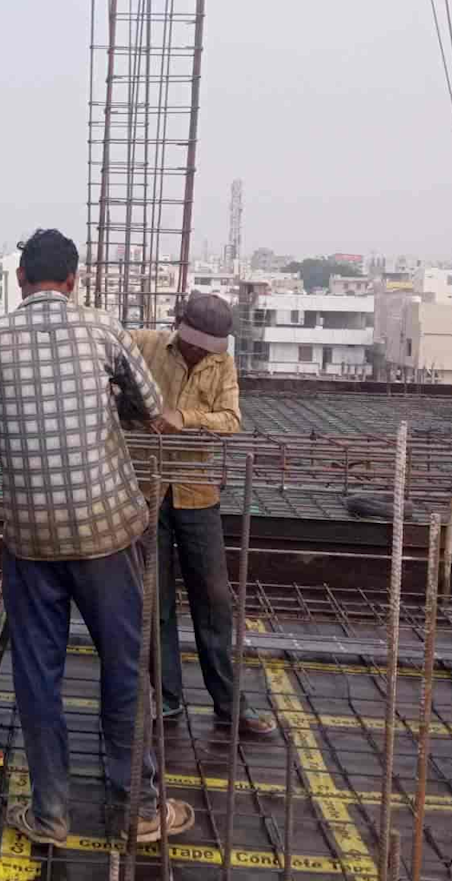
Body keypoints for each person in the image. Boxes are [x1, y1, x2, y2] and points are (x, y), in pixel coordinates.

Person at [0, 228, 193, 847]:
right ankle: (137, 806)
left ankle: (51, 812)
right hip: (109, 531)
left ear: (23, 279)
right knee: (125, 665)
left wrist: (8, 439)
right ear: (74, 280)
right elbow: (150, 404)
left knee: (38, 671)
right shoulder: (105, 330)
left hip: (31, 537)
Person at [126, 293, 275, 738]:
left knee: (214, 600)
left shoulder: (221, 365)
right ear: (179, 327)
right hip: (146, 491)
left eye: (207, 347)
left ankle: (230, 703)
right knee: (156, 602)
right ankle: (166, 699)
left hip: (196, 491)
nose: (197, 352)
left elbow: (230, 418)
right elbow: (104, 355)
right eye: (193, 343)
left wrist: (184, 418)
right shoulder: (145, 345)